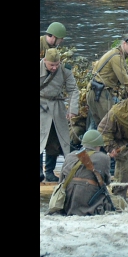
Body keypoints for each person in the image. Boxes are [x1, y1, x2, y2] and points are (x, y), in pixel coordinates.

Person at [56, 129, 126, 215]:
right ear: (99, 146)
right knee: (119, 204)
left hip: (68, 202)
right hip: (88, 202)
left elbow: (60, 181)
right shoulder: (103, 158)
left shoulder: (69, 156)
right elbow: (106, 182)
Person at [40, 48, 80, 182]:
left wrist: (72, 109)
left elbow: (73, 89)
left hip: (56, 107)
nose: (54, 67)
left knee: (55, 140)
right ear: (45, 61)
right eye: (51, 65)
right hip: (40, 105)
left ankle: (49, 171)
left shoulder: (64, 71)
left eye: (57, 64)